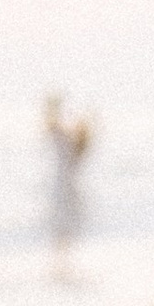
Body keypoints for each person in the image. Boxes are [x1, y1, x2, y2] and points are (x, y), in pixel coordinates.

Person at [42, 94, 93, 251]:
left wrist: (52, 107)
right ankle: (64, 262)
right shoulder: (76, 146)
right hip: (70, 187)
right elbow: (54, 127)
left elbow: (53, 127)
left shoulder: (67, 141)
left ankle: (62, 263)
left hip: (63, 187)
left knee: (61, 225)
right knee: (65, 226)